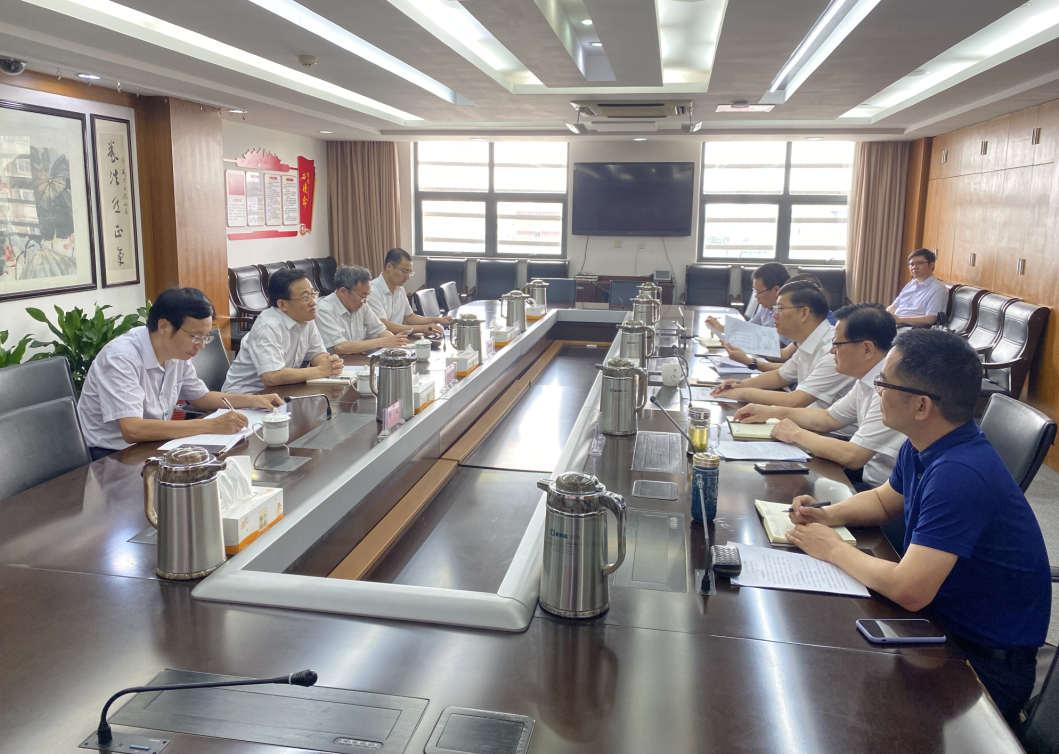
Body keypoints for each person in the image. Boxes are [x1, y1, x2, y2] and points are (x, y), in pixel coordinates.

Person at [785, 329, 1050, 725]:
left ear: (922, 406)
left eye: (884, 383)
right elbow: (882, 501)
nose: (877, 392)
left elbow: (910, 591)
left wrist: (833, 549)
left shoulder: (960, 474)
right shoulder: (925, 443)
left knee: (829, 703)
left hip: (980, 662)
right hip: (938, 627)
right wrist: (828, 515)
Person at [78, 287, 283, 460]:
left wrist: (253, 400)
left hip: (154, 446)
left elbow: (200, 398)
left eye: (205, 337)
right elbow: (132, 429)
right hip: (111, 457)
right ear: (164, 327)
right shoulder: (120, 358)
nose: (201, 346)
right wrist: (210, 425)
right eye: (196, 336)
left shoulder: (176, 353)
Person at [734, 303, 905, 490]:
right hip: (869, 479)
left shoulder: (890, 388)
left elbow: (853, 456)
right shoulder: (867, 379)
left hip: (885, 491)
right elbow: (829, 418)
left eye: (836, 344)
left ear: (867, 349)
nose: (831, 351)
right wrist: (771, 412)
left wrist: (795, 433)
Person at [710, 280, 853, 408]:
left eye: (780, 309)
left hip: (826, 426)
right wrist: (740, 385)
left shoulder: (833, 350)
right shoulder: (808, 341)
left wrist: (743, 393)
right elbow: (780, 376)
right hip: (807, 420)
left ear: (804, 313)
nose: (774, 314)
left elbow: (793, 401)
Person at [223, 268, 344, 394]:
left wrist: (330, 363)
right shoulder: (268, 326)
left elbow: (316, 354)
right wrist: (320, 371)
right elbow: (272, 376)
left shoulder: (305, 317)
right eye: (305, 297)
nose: (313, 302)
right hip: (246, 396)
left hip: (280, 392)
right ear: (282, 305)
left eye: (313, 294)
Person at [315, 265, 410, 354]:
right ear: (343, 291)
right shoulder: (324, 310)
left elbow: (379, 330)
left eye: (368, 295)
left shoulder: (361, 304)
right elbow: (340, 347)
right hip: (338, 363)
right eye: (362, 295)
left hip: (359, 360)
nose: (365, 301)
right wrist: (381, 342)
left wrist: (394, 342)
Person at [368, 248, 453, 335]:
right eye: (405, 272)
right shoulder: (372, 291)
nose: (408, 277)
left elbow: (409, 317)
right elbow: (383, 325)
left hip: (397, 339)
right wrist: (421, 329)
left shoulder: (400, 288)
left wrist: (438, 320)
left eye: (410, 273)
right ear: (389, 267)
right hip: (380, 341)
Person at [887, 248, 948, 326]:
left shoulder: (938, 289)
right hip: (895, 324)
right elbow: (895, 305)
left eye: (919, 263)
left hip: (911, 327)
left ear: (931, 265)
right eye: (911, 264)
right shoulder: (911, 283)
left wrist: (900, 320)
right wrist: (886, 316)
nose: (914, 267)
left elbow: (930, 319)